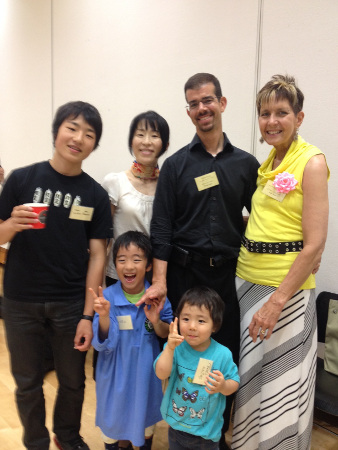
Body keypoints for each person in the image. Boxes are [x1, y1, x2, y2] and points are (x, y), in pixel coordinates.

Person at [138, 72, 260, 447]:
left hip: (225, 278)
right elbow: (161, 228)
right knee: (181, 351)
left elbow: (261, 221)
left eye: (208, 100)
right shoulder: (175, 166)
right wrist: (159, 281)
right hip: (183, 274)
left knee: (223, 354)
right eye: (193, 103)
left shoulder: (246, 164)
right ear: (188, 112)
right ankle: (181, 429)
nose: (201, 108)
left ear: (221, 104)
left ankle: (214, 434)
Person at [0, 101, 113, 450]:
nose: (78, 138)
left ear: (94, 144)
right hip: (20, 300)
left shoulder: (94, 194)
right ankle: (35, 442)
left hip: (69, 304)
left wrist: (86, 314)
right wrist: (9, 226)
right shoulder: (22, 179)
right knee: (27, 382)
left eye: (89, 133)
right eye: (72, 127)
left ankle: (67, 436)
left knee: (73, 381)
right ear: (57, 131)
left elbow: (98, 256)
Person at [232, 75, 329, 449]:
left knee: (281, 386)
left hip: (282, 294)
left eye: (281, 112)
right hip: (248, 284)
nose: (272, 120)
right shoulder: (270, 161)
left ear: (299, 117)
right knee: (253, 380)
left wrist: (276, 303)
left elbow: (315, 242)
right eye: (265, 113)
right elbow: (269, 220)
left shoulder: (312, 162)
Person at [91, 231, 173, 450]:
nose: (129, 266)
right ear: (114, 265)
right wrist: (106, 316)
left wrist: (156, 321)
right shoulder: (107, 297)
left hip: (145, 377)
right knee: (113, 426)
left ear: (148, 265)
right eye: (121, 260)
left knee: (145, 427)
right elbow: (100, 342)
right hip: (113, 376)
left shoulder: (157, 297)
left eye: (137, 259)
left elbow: (166, 333)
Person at [155, 286, 240, 449]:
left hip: (206, 433)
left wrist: (223, 386)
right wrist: (169, 349)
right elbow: (161, 373)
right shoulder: (175, 347)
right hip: (175, 427)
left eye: (201, 321)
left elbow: (234, 384)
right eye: (186, 319)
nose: (192, 326)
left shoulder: (222, 354)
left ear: (214, 325)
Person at [102, 110, 169, 287]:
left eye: (154, 136)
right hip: (120, 276)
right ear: (131, 141)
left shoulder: (168, 185)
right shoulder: (115, 182)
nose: (146, 142)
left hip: (156, 277)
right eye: (140, 134)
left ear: (166, 145)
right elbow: (103, 239)